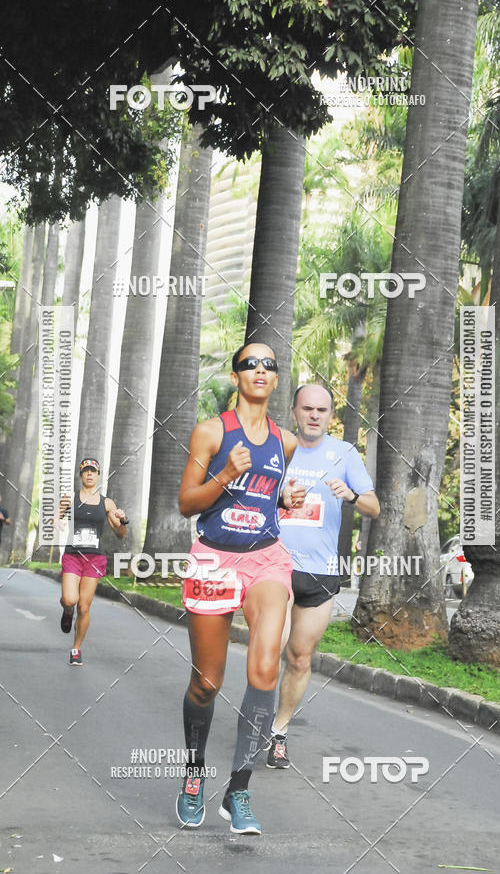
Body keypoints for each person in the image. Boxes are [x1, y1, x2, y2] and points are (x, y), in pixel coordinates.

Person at [176, 342, 305, 835]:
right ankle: (193, 777)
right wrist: (227, 473)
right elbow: (188, 503)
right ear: (236, 377)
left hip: (266, 558)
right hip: (214, 559)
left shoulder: (286, 442)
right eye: (250, 363)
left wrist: (285, 500)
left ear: (275, 380)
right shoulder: (211, 433)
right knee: (206, 683)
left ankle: (239, 788)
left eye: (269, 365)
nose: (260, 370)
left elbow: (272, 499)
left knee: (266, 668)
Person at [266, 384, 380, 769]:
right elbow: (248, 494)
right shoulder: (277, 448)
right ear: (294, 411)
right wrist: (280, 497)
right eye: (308, 409)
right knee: (268, 653)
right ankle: (253, 723)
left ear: (330, 415)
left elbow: (374, 506)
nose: (315, 415)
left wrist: (349, 495)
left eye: (323, 410)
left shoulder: (344, 453)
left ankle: (279, 732)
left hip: (320, 573)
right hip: (275, 565)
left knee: (299, 658)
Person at [58, 458, 127, 666]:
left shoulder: (107, 503)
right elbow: (55, 517)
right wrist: (57, 524)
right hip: (73, 555)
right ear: (81, 475)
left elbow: (120, 533)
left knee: (85, 607)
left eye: (93, 471)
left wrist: (122, 520)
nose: (89, 474)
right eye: (86, 471)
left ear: (98, 476)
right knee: (70, 600)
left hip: (94, 558)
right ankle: (67, 610)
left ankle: (76, 649)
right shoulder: (69, 497)